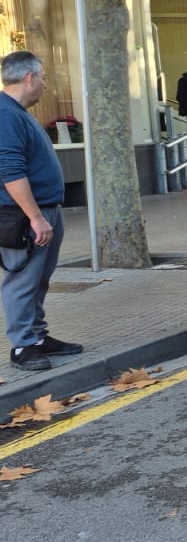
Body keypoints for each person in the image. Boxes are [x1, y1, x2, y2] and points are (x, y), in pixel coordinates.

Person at [0, 51, 80, 372]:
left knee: (38, 280)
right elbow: (10, 171)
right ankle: (22, 346)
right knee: (22, 281)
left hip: (43, 210)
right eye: (44, 78)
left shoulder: (16, 113)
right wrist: (35, 217)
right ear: (29, 78)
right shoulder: (6, 115)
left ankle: (36, 336)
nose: (46, 84)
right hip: (24, 216)